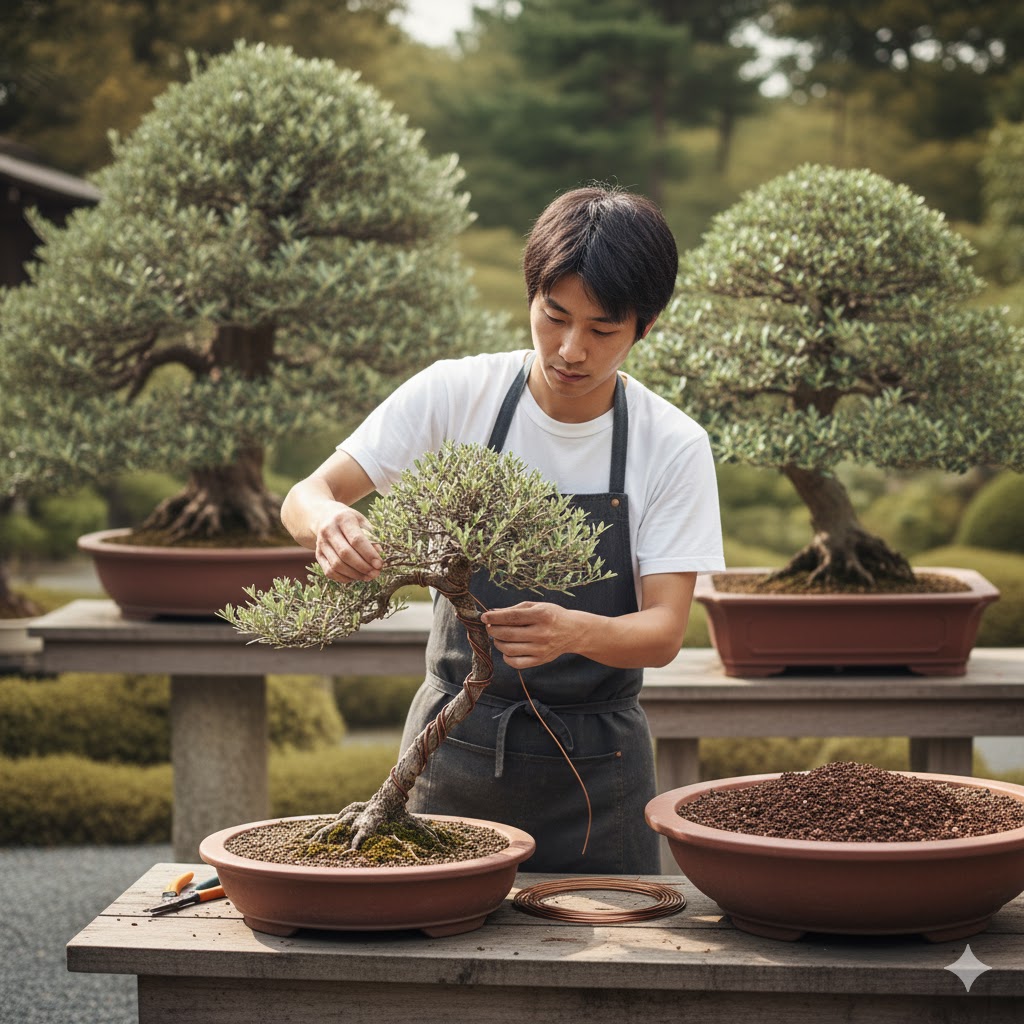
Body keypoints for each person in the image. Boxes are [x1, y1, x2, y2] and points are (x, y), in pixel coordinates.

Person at [281, 183, 724, 874]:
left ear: (646, 325)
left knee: (612, 965)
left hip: (598, 768)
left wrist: (576, 631)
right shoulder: (455, 394)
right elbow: (307, 492)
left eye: (602, 329)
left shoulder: (671, 443)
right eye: (554, 317)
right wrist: (329, 520)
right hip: (451, 745)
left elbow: (665, 631)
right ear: (531, 297)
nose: (571, 349)